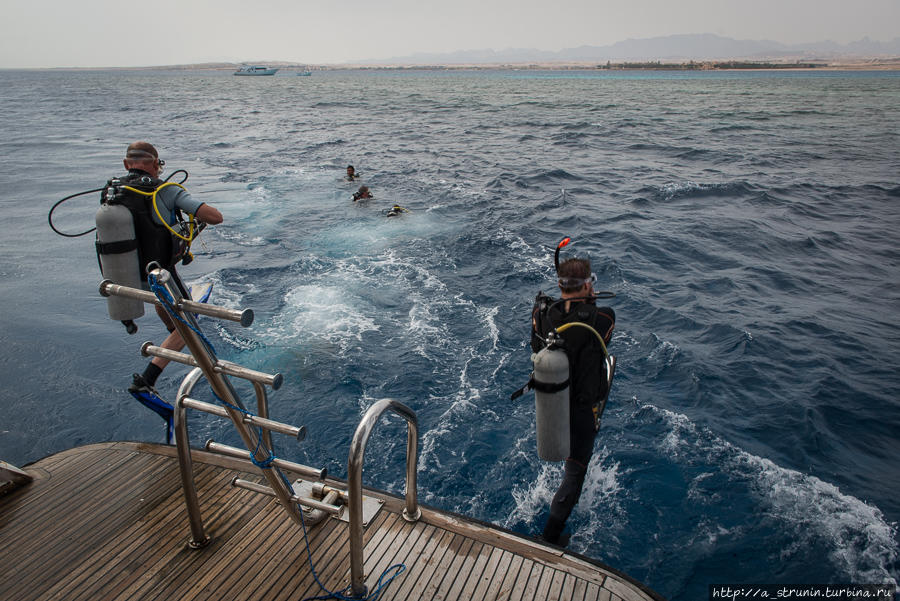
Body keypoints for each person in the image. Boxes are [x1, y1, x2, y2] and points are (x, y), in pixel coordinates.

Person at [119, 141, 224, 395]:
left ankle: (170, 334)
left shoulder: (113, 191)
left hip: (125, 275)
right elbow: (215, 216)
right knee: (190, 325)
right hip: (159, 273)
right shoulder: (163, 190)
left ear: (126, 165)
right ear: (156, 165)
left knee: (161, 298)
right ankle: (147, 379)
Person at [530, 257, 615, 546]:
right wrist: (586, 304)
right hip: (580, 409)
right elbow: (601, 336)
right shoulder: (602, 317)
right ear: (589, 284)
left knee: (563, 458)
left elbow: (535, 345)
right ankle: (551, 536)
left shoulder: (541, 313)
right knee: (575, 472)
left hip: (550, 400)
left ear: (559, 285)